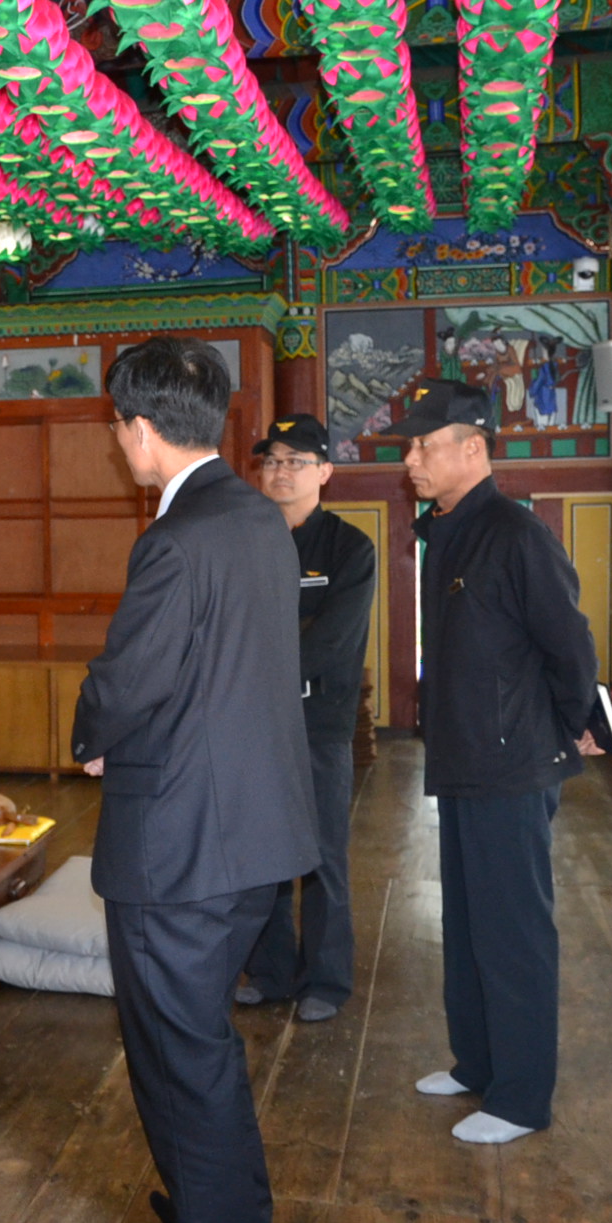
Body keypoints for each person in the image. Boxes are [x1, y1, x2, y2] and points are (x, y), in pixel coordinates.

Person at [72, 337, 319, 1223]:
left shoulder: (174, 539)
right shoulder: (258, 516)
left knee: (179, 1047)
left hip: (182, 843)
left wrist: (90, 737)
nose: (119, 441)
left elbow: (129, 678)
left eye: (117, 426)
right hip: (256, 830)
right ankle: (223, 1207)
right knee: (198, 1037)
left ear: (141, 430)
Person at [390, 378, 603, 1145]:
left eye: (425, 445)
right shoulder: (446, 528)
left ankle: (519, 1098)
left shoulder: (515, 533)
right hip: (462, 755)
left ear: (473, 448)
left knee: (513, 931)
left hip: (512, 761)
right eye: (410, 446)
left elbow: (570, 644)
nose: (411, 459)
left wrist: (571, 724)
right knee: (468, 922)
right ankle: (477, 1063)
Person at [237, 413, 376, 1024]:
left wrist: (259, 659)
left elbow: (331, 641)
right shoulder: (243, 541)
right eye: (271, 461)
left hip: (318, 723)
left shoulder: (351, 548)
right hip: (252, 723)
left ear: (325, 472)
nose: (280, 472)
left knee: (321, 856)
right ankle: (270, 971)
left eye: (295, 462)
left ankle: (326, 980)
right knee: (259, 853)